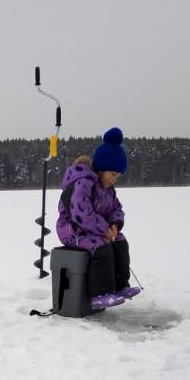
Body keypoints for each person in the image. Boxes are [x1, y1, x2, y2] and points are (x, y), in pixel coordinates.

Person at [56, 127, 141, 310]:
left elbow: (116, 209)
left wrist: (114, 225)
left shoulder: (108, 190)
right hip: (72, 231)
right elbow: (81, 213)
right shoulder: (83, 184)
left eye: (118, 176)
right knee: (101, 246)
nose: (114, 179)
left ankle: (120, 286)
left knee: (119, 241)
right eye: (112, 174)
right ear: (101, 169)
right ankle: (99, 294)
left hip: (93, 231)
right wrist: (103, 229)